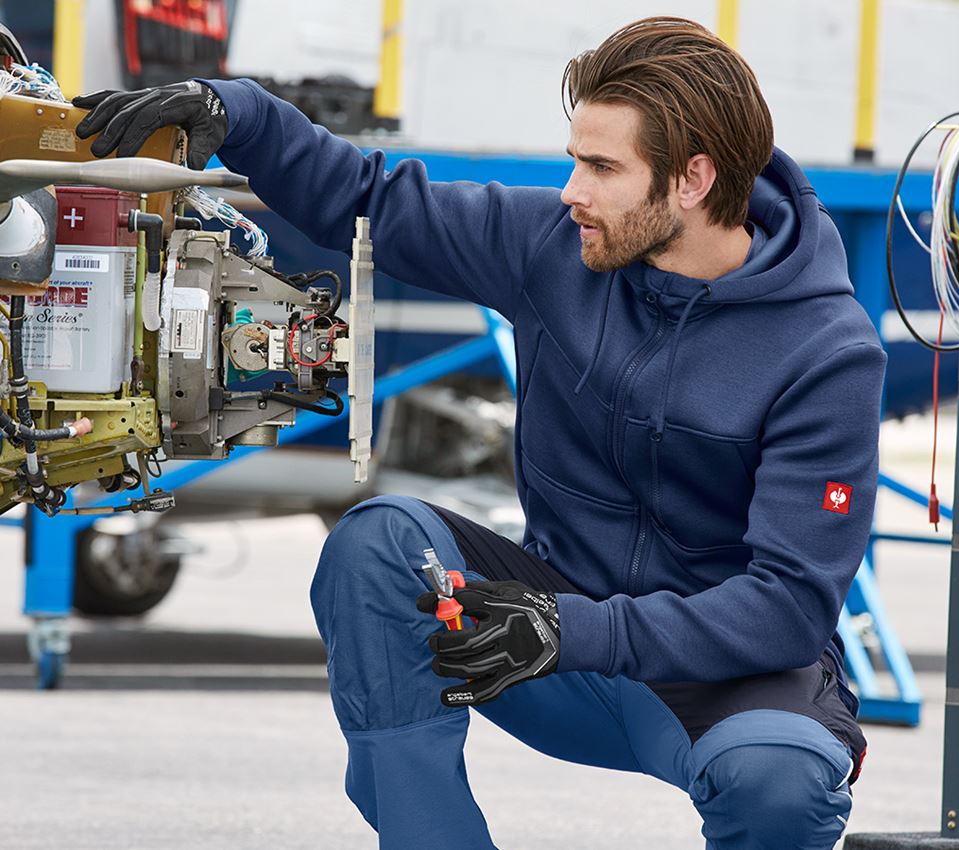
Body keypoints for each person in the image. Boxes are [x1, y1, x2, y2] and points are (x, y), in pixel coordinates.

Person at [74, 16, 886, 849]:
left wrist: (577, 631)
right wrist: (237, 111)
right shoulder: (554, 247)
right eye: (576, 158)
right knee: (377, 548)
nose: (573, 189)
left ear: (693, 181)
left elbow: (787, 607)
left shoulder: (827, 352)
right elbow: (374, 198)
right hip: (537, 638)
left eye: (602, 167)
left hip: (715, 677)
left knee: (781, 783)